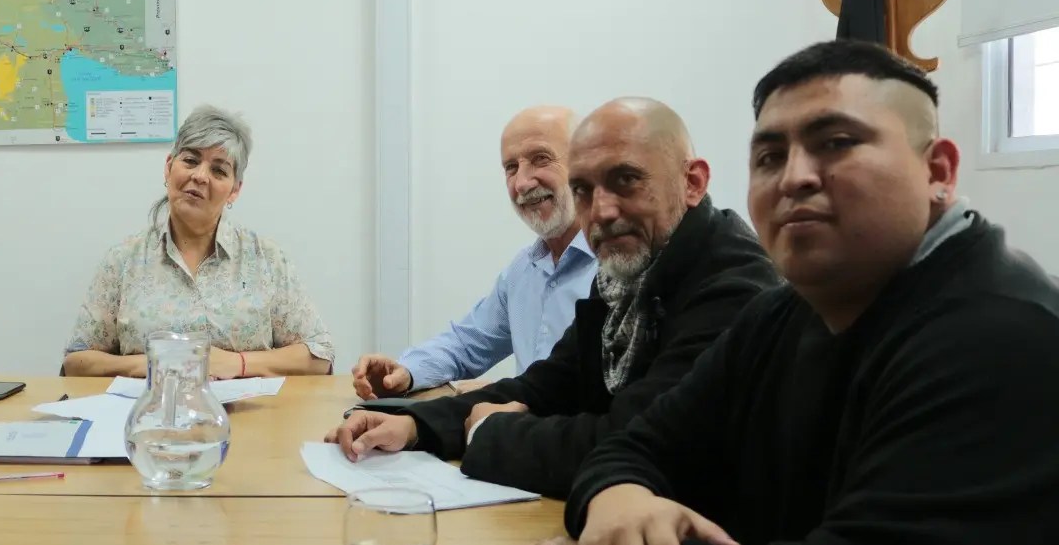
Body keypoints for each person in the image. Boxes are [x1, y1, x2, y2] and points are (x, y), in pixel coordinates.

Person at [519, 41, 1059, 545]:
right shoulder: (784, 311)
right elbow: (631, 446)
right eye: (770, 156)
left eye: (836, 142)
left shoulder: (1002, 335)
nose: (795, 177)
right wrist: (616, 502)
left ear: (939, 171)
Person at [325, 98, 778, 497]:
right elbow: (547, 384)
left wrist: (490, 432)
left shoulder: (731, 284)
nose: (601, 211)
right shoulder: (627, 271)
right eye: (583, 190)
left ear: (693, 183)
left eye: (625, 180)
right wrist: (414, 426)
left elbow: (643, 443)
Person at [63, 104, 333, 378]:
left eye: (219, 171)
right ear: (169, 168)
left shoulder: (265, 259)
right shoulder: (123, 260)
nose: (200, 176)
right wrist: (154, 363)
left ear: (234, 190)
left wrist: (238, 363)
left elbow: (319, 356)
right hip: (153, 415)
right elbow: (76, 361)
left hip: (251, 417)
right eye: (191, 161)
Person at [350, 106, 596, 399]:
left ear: (585, 165)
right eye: (511, 168)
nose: (522, 183)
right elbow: (467, 343)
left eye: (540, 159)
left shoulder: (619, 269)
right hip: (522, 437)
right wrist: (405, 372)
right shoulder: (524, 270)